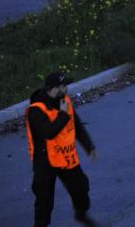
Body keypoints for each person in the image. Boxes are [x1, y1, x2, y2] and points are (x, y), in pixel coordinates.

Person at [26, 72, 98, 227]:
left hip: (65, 157)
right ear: (52, 89)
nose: (66, 89)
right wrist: (63, 115)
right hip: (45, 162)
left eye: (66, 85)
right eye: (63, 86)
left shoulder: (64, 101)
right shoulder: (36, 110)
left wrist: (89, 146)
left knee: (81, 190)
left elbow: (76, 125)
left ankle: (81, 214)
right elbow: (48, 132)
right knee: (44, 203)